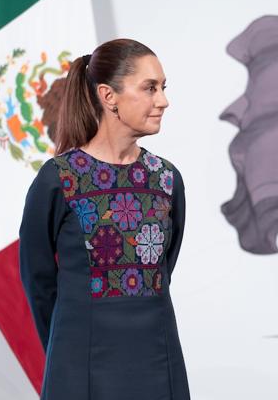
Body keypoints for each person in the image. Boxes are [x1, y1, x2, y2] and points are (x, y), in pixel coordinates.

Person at [19, 38, 190, 399]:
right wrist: (68, 349)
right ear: (108, 95)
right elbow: (38, 282)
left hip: (159, 366)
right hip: (79, 369)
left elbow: (163, 270)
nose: (163, 100)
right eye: (150, 88)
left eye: (163, 87)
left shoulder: (166, 180)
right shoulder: (59, 179)